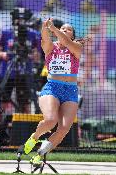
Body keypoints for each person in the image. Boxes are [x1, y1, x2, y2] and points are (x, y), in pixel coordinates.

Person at [23, 18, 83, 166]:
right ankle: (35, 137)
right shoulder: (51, 47)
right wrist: (45, 27)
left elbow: (67, 42)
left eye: (67, 29)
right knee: (50, 121)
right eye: (62, 28)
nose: (64, 30)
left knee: (63, 129)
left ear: (72, 35)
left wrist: (55, 29)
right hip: (52, 87)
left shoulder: (77, 46)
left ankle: (39, 155)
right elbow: (45, 38)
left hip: (70, 91)